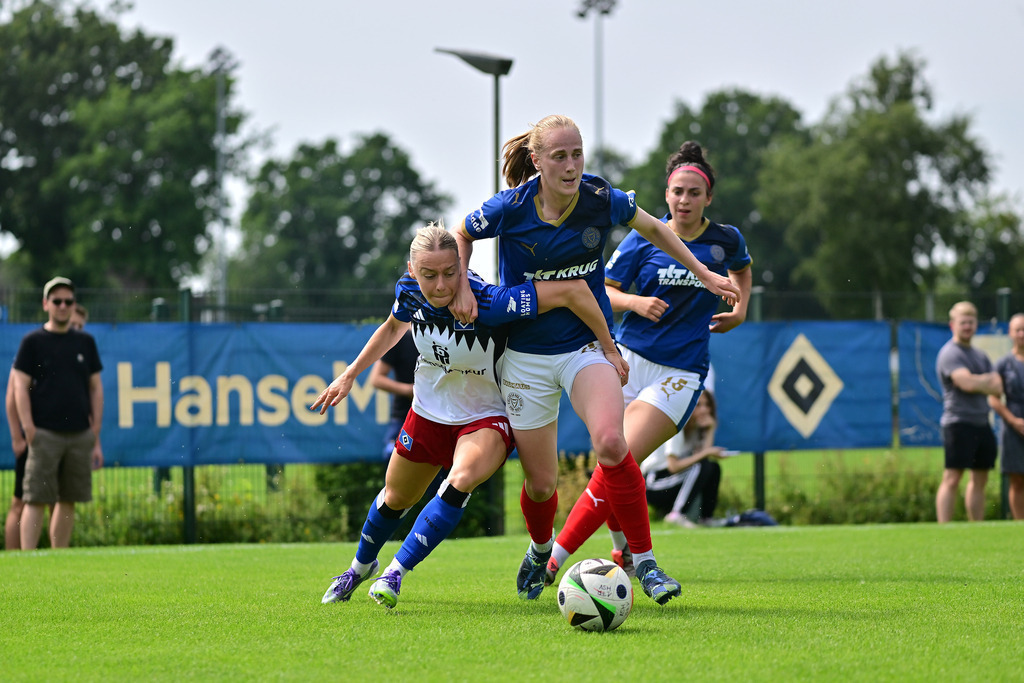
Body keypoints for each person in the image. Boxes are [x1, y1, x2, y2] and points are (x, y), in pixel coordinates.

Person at [451, 118, 741, 604]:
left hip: (587, 347)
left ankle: (644, 563)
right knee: (541, 485)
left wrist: (704, 273)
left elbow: (655, 228)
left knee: (611, 442)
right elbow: (461, 232)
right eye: (560, 156)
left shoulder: (600, 197)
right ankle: (541, 549)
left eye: (577, 154)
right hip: (526, 357)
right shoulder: (510, 207)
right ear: (537, 161)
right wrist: (461, 285)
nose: (571, 166)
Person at [317, 223, 626, 609]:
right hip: (427, 413)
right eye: (429, 274)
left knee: (461, 480)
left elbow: (571, 291)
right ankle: (359, 567)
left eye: (450, 273)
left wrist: (607, 347)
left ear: (462, 267)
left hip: (486, 417)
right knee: (395, 497)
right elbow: (393, 326)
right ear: (412, 271)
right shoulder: (409, 291)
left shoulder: (491, 303)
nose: (440, 285)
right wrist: (349, 374)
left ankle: (395, 572)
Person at [544, 140, 752, 583]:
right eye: (677, 191)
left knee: (618, 458)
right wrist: (635, 303)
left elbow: (742, 268)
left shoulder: (725, 239)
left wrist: (741, 310)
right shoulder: (645, 237)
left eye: (694, 193)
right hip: (627, 362)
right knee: (615, 462)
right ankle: (625, 554)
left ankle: (552, 560)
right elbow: (604, 293)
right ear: (667, 194)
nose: (684, 200)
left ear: (709, 198)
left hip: (680, 372)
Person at [11, 277, 104, 549]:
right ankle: (29, 559)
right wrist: (28, 428)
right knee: (35, 499)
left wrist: (95, 430)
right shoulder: (32, 342)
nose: (63, 306)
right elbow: (19, 387)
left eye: (68, 301)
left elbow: (96, 388)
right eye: (57, 301)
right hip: (44, 433)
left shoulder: (85, 342)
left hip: (79, 434)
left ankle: (58, 557)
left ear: (74, 305)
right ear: (46, 304)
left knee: (68, 499)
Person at [934, 301, 1002, 523]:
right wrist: (983, 382)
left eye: (971, 322)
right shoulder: (949, 354)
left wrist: (976, 381)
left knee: (980, 479)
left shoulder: (980, 356)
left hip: (982, 423)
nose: (967, 326)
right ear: (952, 325)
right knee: (952, 477)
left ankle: (976, 526)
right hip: (958, 423)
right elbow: (966, 384)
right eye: (963, 322)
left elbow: (998, 387)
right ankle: (943, 527)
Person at [643, 390, 724, 527]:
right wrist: (706, 453)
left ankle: (706, 518)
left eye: (707, 405)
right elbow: (673, 466)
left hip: (673, 480)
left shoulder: (695, 429)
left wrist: (710, 429)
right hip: (653, 484)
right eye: (698, 405)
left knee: (713, 467)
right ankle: (676, 514)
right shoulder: (676, 427)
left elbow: (705, 462)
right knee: (699, 466)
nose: (704, 410)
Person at [989, 312, 1024, 520]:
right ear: (1010, 333)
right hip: (1013, 427)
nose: (1022, 334)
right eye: (1018, 330)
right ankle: (1019, 524)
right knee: (1017, 480)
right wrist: (1014, 421)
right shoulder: (1003, 364)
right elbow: (994, 399)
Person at [370, 329, 418, 460]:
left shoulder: (447, 337)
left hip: (441, 417)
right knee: (392, 455)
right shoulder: (402, 338)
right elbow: (376, 379)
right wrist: (409, 390)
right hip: (404, 417)